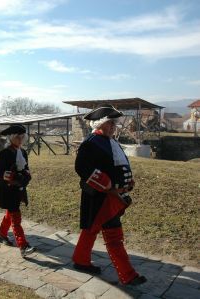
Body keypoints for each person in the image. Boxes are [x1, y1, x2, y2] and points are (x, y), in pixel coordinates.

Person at [71, 105, 147, 286]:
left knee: (91, 229)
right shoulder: (91, 143)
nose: (114, 126)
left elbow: (119, 166)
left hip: (112, 195)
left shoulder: (112, 142)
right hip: (100, 196)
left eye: (114, 123)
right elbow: (82, 168)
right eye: (110, 122)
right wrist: (108, 185)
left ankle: (80, 260)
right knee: (113, 235)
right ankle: (128, 275)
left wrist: (127, 182)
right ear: (101, 123)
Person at [0, 124, 36, 257]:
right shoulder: (5, 153)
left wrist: (26, 176)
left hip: (19, 188)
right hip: (8, 189)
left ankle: (1, 234)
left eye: (22, 137)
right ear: (11, 138)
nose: (20, 140)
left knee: (10, 213)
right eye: (18, 137)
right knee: (15, 217)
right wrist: (13, 176)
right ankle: (23, 245)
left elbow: (26, 168)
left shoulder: (23, 152)